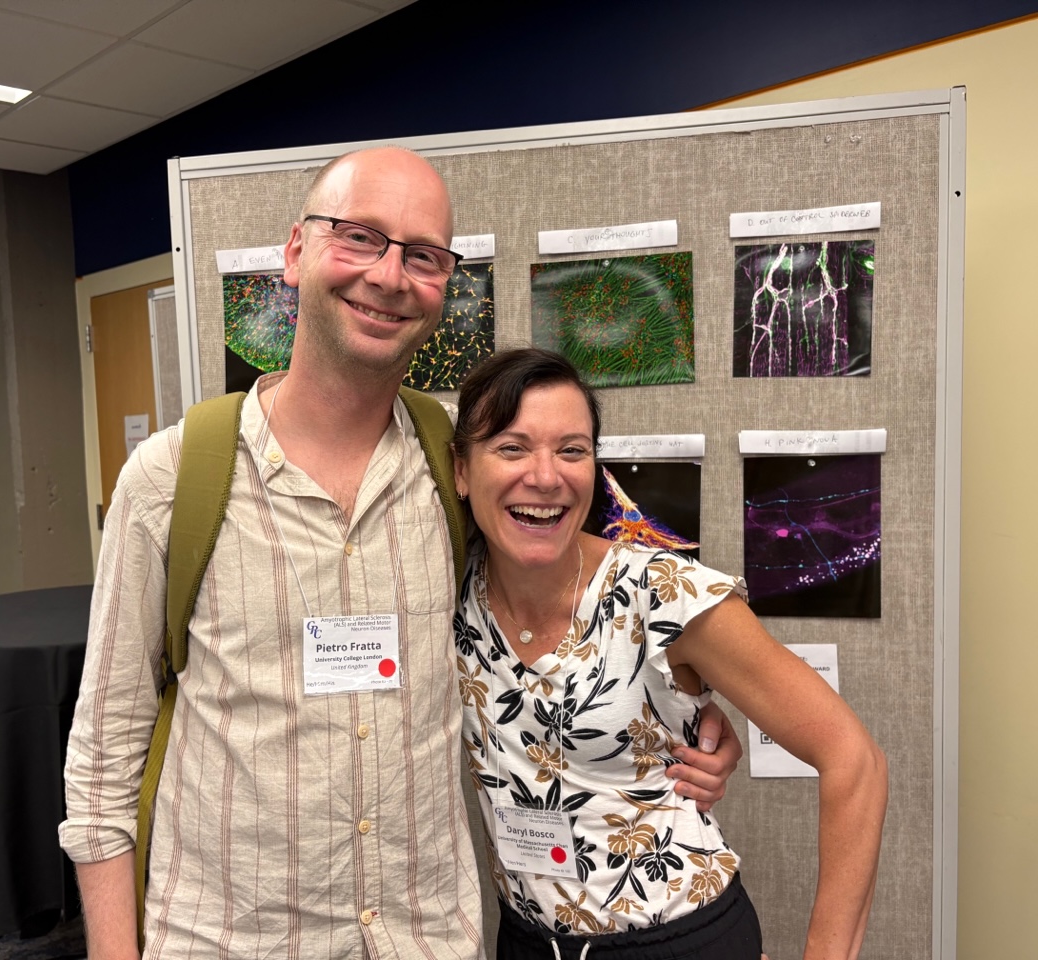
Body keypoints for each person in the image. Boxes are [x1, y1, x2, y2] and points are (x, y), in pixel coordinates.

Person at [59, 147, 741, 960]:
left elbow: (573, 588)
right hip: (227, 939)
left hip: (423, 939)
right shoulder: (172, 481)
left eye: (422, 255)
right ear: (295, 252)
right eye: (359, 238)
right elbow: (103, 755)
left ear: (443, 285)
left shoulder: (457, 466)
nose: (389, 275)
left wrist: (683, 702)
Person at [450, 347, 888, 960]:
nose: (546, 477)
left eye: (572, 450)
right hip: (526, 940)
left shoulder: (662, 594)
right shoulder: (446, 593)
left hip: (677, 940)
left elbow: (854, 759)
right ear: (462, 471)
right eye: (512, 447)